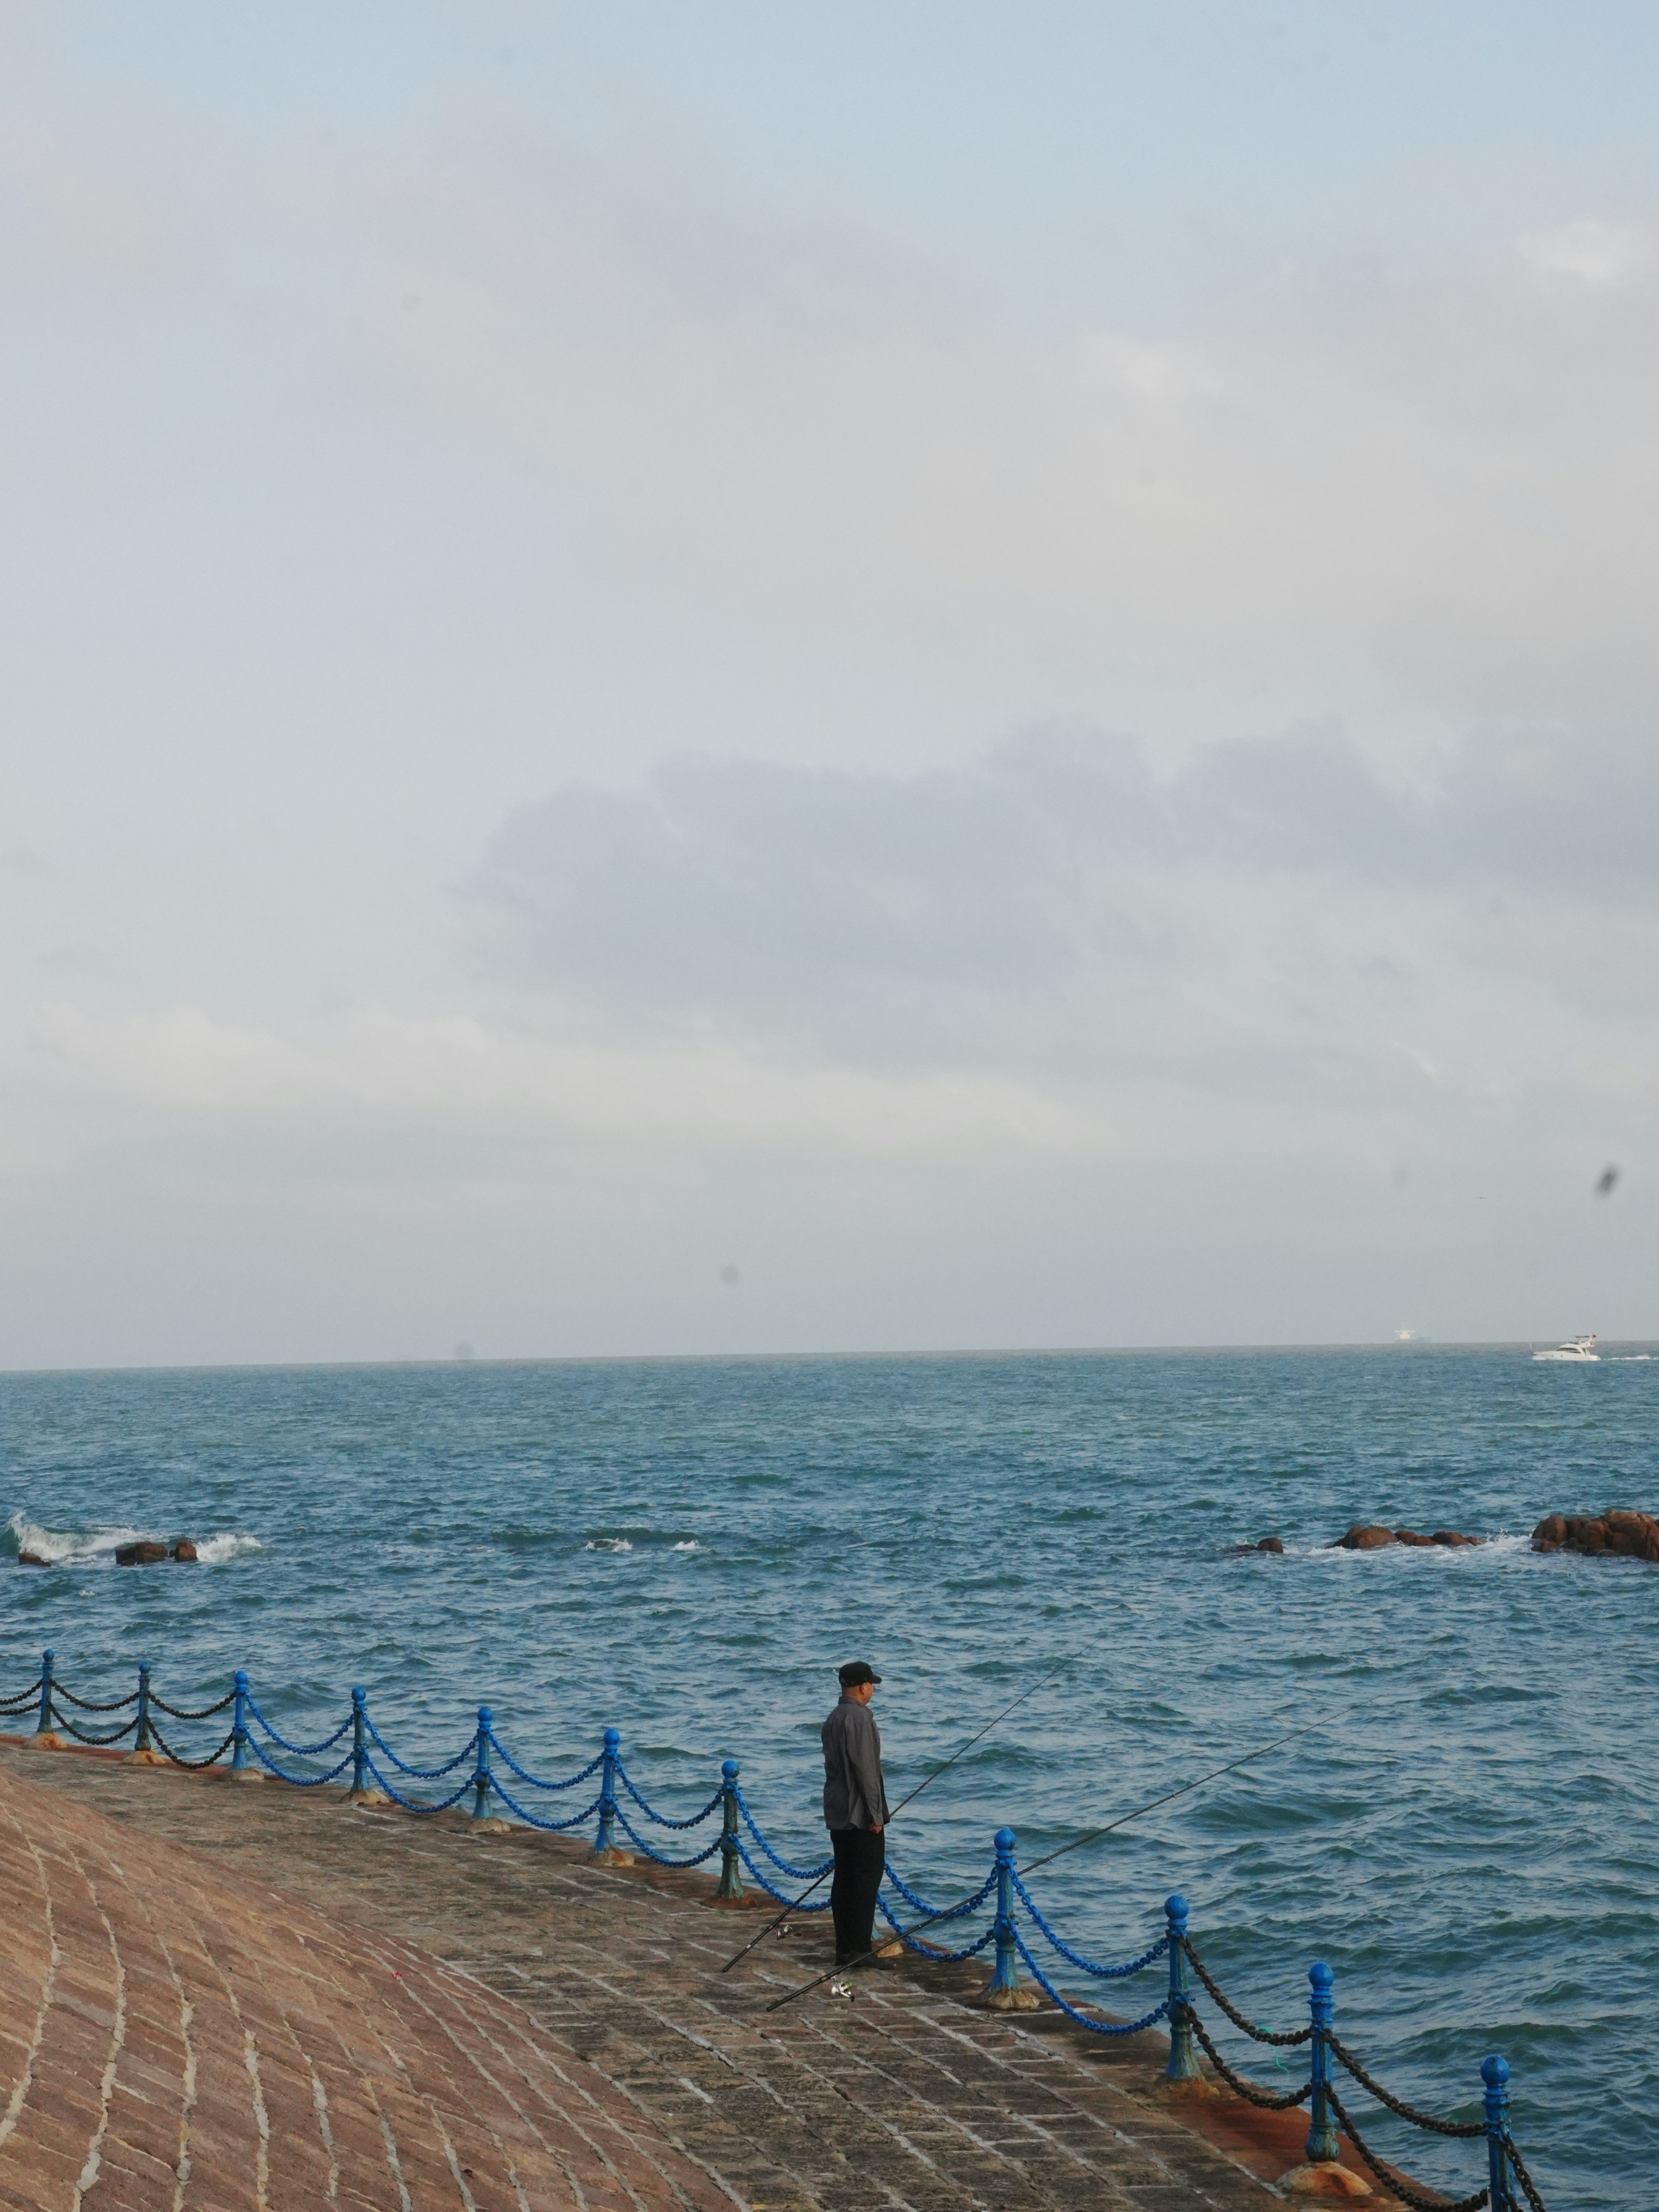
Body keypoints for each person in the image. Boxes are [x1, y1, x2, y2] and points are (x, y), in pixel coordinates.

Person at [821, 1660, 889, 1966]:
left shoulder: (833, 1718)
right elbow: (867, 1773)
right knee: (866, 1879)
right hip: (860, 1815)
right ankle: (861, 1949)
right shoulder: (860, 1719)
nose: (872, 1689)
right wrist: (876, 1815)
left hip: (838, 1811)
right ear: (863, 1687)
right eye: (871, 1684)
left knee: (844, 1878)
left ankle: (845, 1948)